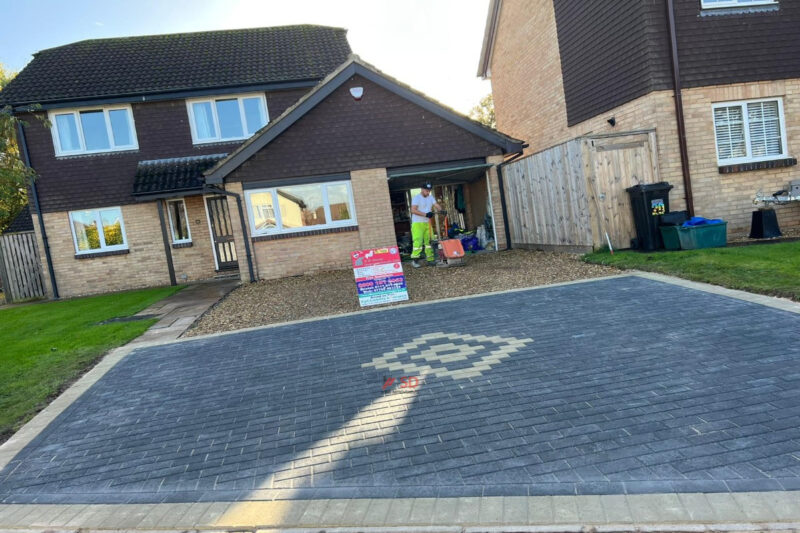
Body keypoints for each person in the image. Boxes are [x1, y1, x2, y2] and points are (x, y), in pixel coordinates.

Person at [409, 182, 441, 267]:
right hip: (417, 223)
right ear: (422, 189)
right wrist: (426, 214)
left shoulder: (430, 197)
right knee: (418, 242)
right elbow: (413, 210)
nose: (428, 192)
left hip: (427, 222)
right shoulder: (416, 198)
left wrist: (441, 210)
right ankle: (415, 261)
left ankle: (430, 260)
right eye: (427, 191)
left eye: (429, 191)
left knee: (429, 241)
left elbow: (436, 205)